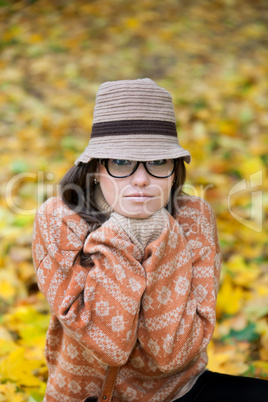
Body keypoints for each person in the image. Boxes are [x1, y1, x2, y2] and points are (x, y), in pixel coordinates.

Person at [32, 79, 268, 402]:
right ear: (97, 167)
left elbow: (171, 355)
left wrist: (161, 233)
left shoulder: (194, 217)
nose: (141, 179)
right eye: (121, 162)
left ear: (174, 170)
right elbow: (110, 345)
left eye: (157, 162)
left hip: (180, 393)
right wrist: (122, 233)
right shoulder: (58, 220)